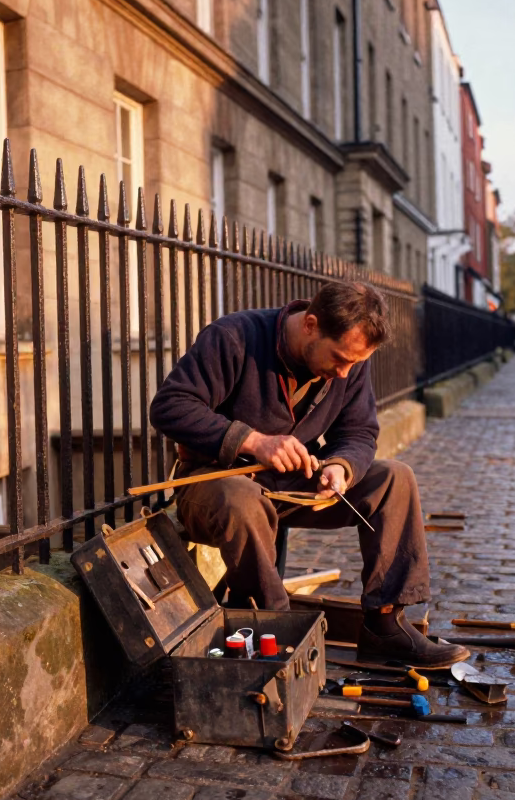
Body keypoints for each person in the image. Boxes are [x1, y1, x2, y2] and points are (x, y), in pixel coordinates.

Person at [149, 280, 466, 667]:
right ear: (311, 325)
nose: (345, 372)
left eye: (355, 363)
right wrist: (251, 440)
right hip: (212, 485)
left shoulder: (349, 365)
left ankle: (384, 626)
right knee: (242, 499)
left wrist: (340, 466)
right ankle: (273, 630)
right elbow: (169, 406)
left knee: (394, 478)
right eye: (339, 358)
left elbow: (358, 433)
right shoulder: (233, 337)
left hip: (291, 485)